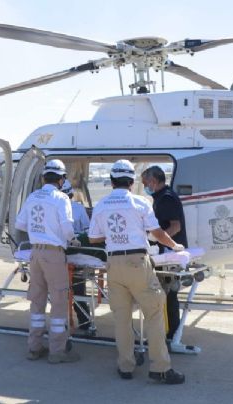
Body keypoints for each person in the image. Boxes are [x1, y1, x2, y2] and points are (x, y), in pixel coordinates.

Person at [88, 159, 186, 384]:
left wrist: (113, 236)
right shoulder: (140, 203)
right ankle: (160, 367)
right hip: (137, 263)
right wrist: (175, 246)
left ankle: (126, 366)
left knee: (121, 318)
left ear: (112, 181)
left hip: (113, 264)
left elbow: (93, 238)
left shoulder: (101, 205)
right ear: (132, 182)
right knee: (153, 313)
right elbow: (158, 233)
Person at [15, 159, 79, 364]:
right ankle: (57, 351)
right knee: (59, 301)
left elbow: (20, 224)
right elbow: (68, 229)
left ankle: (34, 347)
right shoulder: (61, 198)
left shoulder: (32, 197)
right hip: (53, 254)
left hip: (35, 253)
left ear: (44, 178)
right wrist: (73, 240)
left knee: (37, 300)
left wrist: (40, 231)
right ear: (61, 179)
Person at [141, 165, 187, 342]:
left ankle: (171, 333)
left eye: (146, 183)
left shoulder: (166, 198)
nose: (145, 186)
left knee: (167, 295)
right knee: (166, 294)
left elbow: (175, 226)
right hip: (166, 251)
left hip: (168, 254)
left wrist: (159, 239)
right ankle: (169, 332)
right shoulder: (160, 197)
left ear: (153, 181)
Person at [61, 180, 91, 331]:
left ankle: (62, 323)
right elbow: (87, 231)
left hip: (58, 253)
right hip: (77, 254)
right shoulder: (78, 208)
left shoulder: (53, 207)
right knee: (79, 290)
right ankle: (84, 321)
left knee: (59, 291)